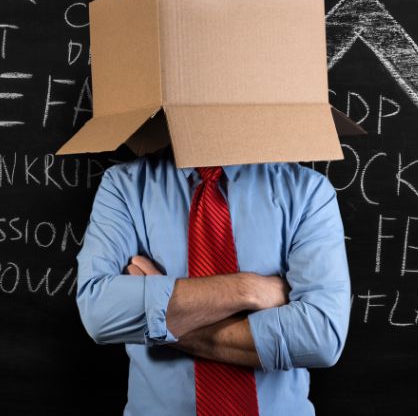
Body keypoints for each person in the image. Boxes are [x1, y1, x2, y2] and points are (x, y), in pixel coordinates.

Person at [75, 143, 351, 415]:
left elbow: (322, 336)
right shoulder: (124, 186)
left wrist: (159, 320)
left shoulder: (307, 191)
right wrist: (248, 290)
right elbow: (99, 311)